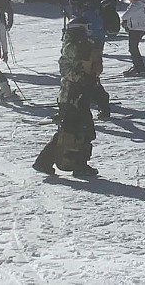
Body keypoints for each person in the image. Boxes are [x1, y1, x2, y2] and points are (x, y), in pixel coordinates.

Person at [33, 16, 101, 177]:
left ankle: (75, 163)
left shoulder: (83, 45)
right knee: (72, 129)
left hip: (79, 92)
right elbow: (65, 68)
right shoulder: (72, 46)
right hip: (71, 94)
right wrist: (81, 78)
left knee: (78, 129)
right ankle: (52, 162)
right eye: (86, 27)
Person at [121, 0, 145, 76]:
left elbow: (125, 16)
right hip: (139, 28)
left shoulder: (135, 6)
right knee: (133, 48)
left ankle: (139, 67)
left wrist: (125, 22)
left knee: (133, 49)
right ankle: (139, 66)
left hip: (136, 29)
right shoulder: (140, 4)